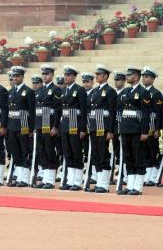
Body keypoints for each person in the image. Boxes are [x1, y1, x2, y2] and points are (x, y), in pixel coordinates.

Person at [116, 66, 152, 195]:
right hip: (126, 128)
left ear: (136, 77)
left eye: (129, 75)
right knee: (128, 157)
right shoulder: (126, 92)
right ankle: (130, 185)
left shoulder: (143, 92)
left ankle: (138, 186)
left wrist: (144, 131)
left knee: (138, 157)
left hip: (137, 129)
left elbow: (146, 114)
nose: (127, 77)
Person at [86, 65, 117, 193]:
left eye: (99, 74)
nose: (97, 76)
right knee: (95, 154)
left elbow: (112, 112)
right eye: (96, 74)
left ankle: (104, 184)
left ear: (105, 76)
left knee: (103, 154)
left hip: (103, 127)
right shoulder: (94, 91)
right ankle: (99, 181)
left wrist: (110, 130)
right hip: (94, 126)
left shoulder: (110, 91)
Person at [6, 66, 35, 187]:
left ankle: (25, 178)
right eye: (14, 76)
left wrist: (31, 128)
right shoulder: (11, 91)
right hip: (12, 125)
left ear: (22, 77)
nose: (15, 78)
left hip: (23, 125)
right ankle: (18, 176)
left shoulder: (28, 91)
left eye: (18, 76)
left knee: (24, 151)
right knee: (15, 151)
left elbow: (32, 111)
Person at [59, 65, 87, 191]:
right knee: (67, 153)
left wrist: (82, 129)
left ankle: (77, 181)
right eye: (65, 75)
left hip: (75, 124)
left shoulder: (79, 90)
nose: (66, 77)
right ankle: (70, 180)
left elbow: (83, 110)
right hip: (65, 124)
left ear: (74, 76)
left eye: (69, 75)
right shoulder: (65, 90)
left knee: (76, 153)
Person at [34, 64, 62, 189]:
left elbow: (57, 110)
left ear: (52, 75)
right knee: (42, 151)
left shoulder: (56, 90)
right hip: (40, 124)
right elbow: (37, 110)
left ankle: (50, 180)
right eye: (43, 74)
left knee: (50, 151)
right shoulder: (40, 90)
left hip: (49, 124)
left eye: (47, 74)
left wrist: (55, 126)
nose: (45, 76)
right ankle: (45, 178)